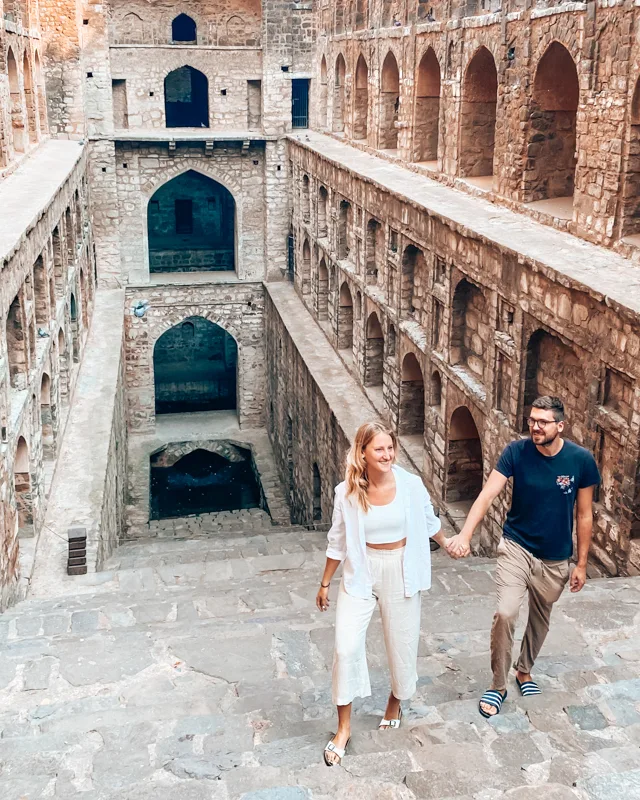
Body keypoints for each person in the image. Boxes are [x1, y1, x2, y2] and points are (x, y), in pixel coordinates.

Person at [446, 396, 600, 718]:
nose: (535, 426)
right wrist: (465, 534)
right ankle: (498, 685)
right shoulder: (516, 452)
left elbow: (584, 515)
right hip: (516, 546)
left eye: (543, 422)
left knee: (540, 620)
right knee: (505, 612)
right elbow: (488, 494)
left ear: (560, 426)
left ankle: (524, 670)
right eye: (532, 420)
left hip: (555, 558)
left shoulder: (581, 461)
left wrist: (582, 564)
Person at [316, 421, 449, 766]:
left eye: (390, 448)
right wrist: (325, 582)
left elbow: (429, 521)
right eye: (379, 449)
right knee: (345, 648)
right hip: (361, 571)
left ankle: (395, 699)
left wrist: (449, 542)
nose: (388, 455)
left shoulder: (410, 485)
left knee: (401, 644)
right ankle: (343, 727)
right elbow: (337, 540)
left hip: (401, 568)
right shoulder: (345, 492)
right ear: (363, 452)